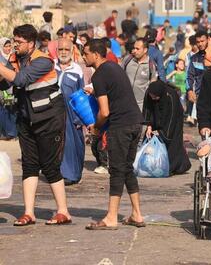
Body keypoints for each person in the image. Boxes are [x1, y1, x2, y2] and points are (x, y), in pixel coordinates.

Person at [0, 24, 71, 226]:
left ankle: (63, 211)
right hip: (26, 119)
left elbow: (21, 79)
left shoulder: (43, 61)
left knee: (50, 166)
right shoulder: (15, 58)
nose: (15, 45)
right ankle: (29, 213)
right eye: (14, 41)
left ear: (31, 43)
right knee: (29, 165)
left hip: (49, 119)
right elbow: (5, 83)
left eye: (19, 42)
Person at [83, 38, 145, 230]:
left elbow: (105, 112)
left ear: (95, 54)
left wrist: (96, 128)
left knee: (117, 170)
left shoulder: (98, 75)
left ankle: (111, 217)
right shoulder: (114, 67)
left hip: (121, 125)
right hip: (136, 122)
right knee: (126, 168)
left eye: (85, 53)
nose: (84, 56)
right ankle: (137, 214)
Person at [142, 81, 191, 175]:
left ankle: (171, 166)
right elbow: (147, 109)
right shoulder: (149, 93)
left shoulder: (170, 96)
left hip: (173, 120)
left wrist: (162, 133)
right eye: (152, 96)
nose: (153, 98)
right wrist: (149, 126)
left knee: (172, 142)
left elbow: (171, 118)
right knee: (150, 140)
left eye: (155, 97)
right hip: (155, 118)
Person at [55, 38, 85, 186]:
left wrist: (81, 119)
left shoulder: (77, 70)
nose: (63, 52)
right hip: (53, 112)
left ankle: (72, 174)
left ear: (72, 51)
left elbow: (82, 95)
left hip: (72, 114)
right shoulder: (50, 67)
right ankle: (57, 174)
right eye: (60, 49)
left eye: (66, 49)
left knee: (72, 144)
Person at [121, 38, 157, 111]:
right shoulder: (128, 59)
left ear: (145, 50)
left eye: (137, 49)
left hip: (141, 106)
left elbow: (153, 82)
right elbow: (119, 75)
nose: (135, 51)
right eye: (134, 48)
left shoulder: (150, 65)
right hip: (124, 103)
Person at [0, 38, 17, 140]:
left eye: (9, 46)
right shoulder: (0, 57)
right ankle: (4, 132)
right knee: (3, 109)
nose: (8, 48)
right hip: (2, 87)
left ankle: (12, 132)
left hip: (12, 86)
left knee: (12, 109)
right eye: (5, 46)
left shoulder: (14, 57)